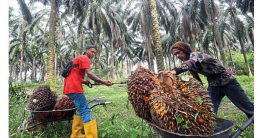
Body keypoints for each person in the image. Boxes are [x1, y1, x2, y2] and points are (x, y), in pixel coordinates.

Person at [160, 41, 254, 119]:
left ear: (185, 49)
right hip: (213, 85)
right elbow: (197, 81)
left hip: (227, 82)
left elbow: (190, 63)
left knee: (248, 109)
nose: (177, 56)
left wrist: (174, 71)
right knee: (209, 111)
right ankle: (213, 131)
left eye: (178, 52)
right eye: (175, 54)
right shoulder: (191, 66)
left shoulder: (195, 55)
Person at [63, 45, 113, 138]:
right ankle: (91, 136)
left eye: (94, 52)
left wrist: (84, 81)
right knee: (86, 110)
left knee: (82, 110)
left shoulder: (79, 59)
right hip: (74, 88)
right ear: (86, 51)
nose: (93, 54)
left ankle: (76, 134)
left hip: (69, 88)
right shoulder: (84, 58)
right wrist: (103, 82)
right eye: (92, 51)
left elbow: (74, 74)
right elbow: (89, 73)